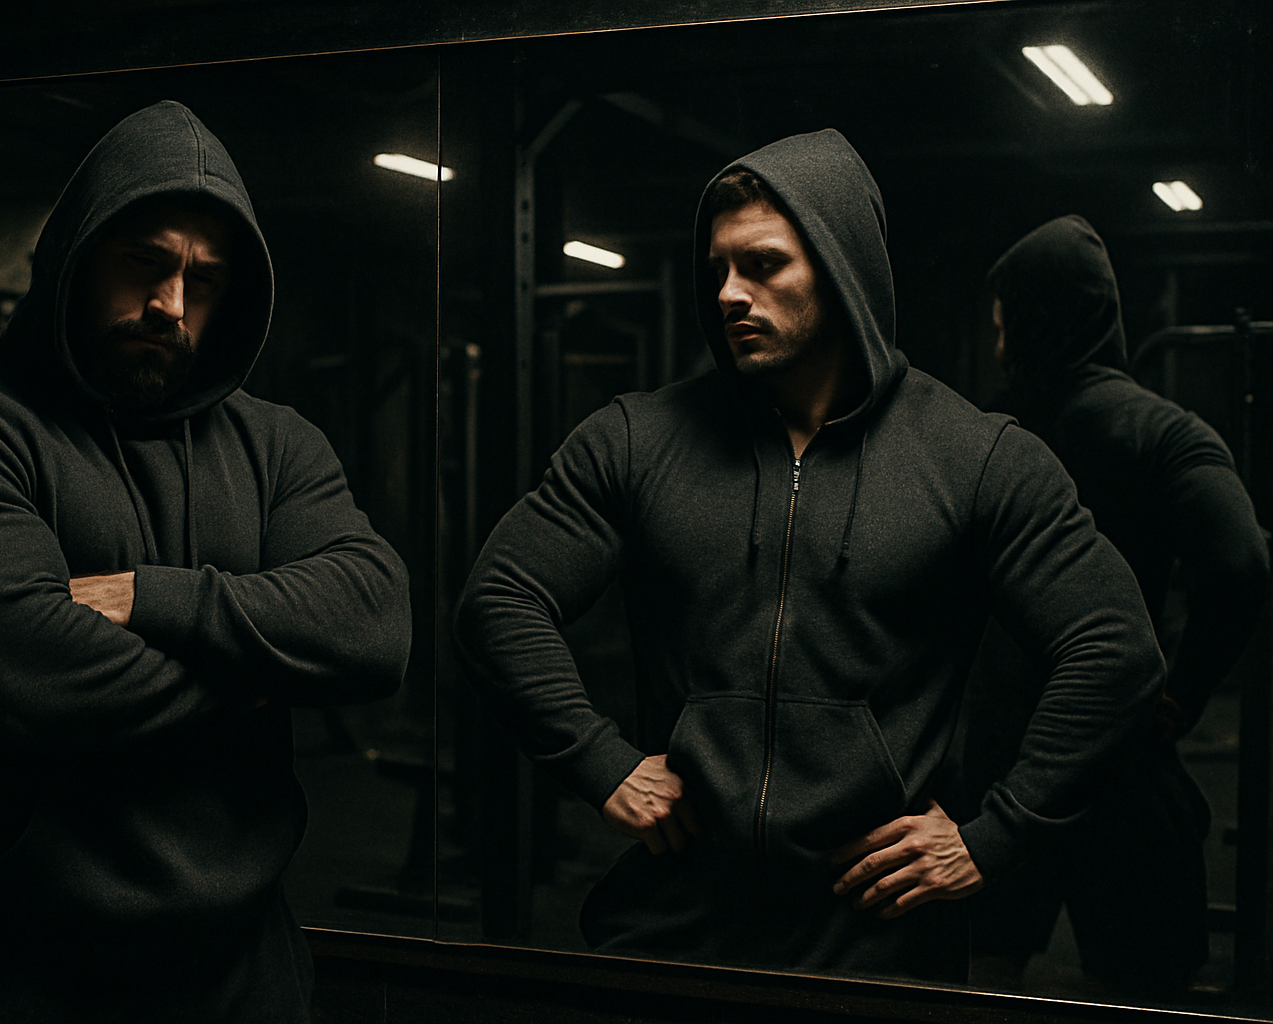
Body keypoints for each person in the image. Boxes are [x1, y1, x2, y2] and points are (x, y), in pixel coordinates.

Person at [453, 130, 1163, 983]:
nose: (727, 293)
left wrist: (996, 835)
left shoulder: (974, 457)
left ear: (841, 267)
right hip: (668, 929)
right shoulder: (638, 439)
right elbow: (500, 597)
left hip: (877, 943)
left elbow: (1114, 646)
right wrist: (595, 758)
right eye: (715, 268)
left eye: (761, 266)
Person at [0, 100, 412, 1023]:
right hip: (10, 973)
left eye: (206, 280)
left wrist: (160, 599)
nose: (171, 306)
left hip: (247, 972)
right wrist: (271, 668)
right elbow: (37, 685)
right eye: (143, 264)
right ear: (73, 255)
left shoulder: (278, 446)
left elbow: (375, 627)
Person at [961, 214, 1269, 996]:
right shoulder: (1162, 433)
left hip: (1003, 759)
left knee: (982, 975)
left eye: (1005, 327)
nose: (1000, 347)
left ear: (1031, 324)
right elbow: (1240, 562)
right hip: (1120, 754)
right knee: (1147, 989)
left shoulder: (987, 440)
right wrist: (1184, 691)